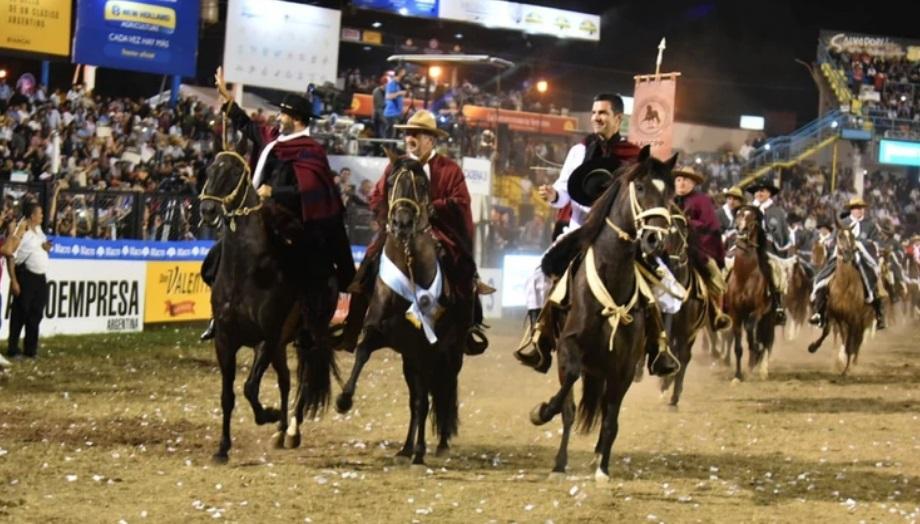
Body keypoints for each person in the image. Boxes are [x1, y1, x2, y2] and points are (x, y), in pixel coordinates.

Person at [513, 93, 683, 375]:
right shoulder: (579, 151)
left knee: (664, 286)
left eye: (602, 113)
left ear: (618, 118)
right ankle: (538, 341)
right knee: (537, 277)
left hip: (623, 236)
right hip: (580, 230)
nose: (596, 118)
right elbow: (565, 191)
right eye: (594, 113)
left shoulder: (634, 155)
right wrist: (555, 194)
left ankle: (658, 348)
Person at [200, 67, 354, 341]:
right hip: (258, 213)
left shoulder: (311, 151)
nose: (277, 117)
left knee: (306, 264)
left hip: (290, 218)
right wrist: (227, 99)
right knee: (221, 254)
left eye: (283, 113)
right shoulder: (274, 139)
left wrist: (274, 191)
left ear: (295, 119)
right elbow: (247, 125)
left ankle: (307, 320)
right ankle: (221, 313)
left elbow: (308, 191)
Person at [339, 109, 491, 355]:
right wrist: (386, 216)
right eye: (408, 133)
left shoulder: (449, 169)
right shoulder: (396, 165)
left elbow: (460, 202)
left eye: (416, 134)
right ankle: (352, 328)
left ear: (431, 140)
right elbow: (378, 194)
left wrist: (432, 208)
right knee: (367, 265)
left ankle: (467, 327)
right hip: (397, 229)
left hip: (437, 230)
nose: (410, 138)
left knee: (462, 268)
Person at [809, 197, 886, 329]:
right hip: (841, 258)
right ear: (851, 210)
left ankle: (879, 315)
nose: (859, 210)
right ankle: (819, 312)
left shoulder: (870, 225)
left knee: (873, 281)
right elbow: (833, 241)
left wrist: (860, 245)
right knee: (821, 278)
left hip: (862, 258)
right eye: (856, 208)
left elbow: (877, 243)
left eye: (861, 208)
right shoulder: (843, 223)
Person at [672, 166, 732, 332]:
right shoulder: (669, 199)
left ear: (693, 183)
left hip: (698, 247)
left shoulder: (702, 200)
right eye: (678, 179)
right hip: (671, 247)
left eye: (686, 180)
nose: (681, 183)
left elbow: (710, 225)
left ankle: (717, 311)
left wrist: (687, 223)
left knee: (711, 271)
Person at [6, 202, 50, 359]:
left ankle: (30, 349)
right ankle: (13, 348)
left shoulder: (38, 230)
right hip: (25, 275)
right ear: (32, 215)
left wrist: (46, 247)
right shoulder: (22, 231)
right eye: (40, 214)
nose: (42, 217)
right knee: (20, 313)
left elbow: (42, 244)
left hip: (40, 277)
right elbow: (11, 256)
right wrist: (14, 280)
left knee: (36, 313)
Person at [746, 178, 788, 323]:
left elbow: (783, 236)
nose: (759, 193)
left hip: (769, 251)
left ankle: (777, 305)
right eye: (757, 191)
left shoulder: (778, 212)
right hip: (748, 249)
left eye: (762, 190)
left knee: (775, 274)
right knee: (729, 268)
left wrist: (772, 238)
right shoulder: (748, 210)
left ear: (769, 193)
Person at [383, 68, 408, 139]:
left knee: (396, 137)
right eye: (403, 73)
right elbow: (388, 96)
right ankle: (386, 149)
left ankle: (392, 149)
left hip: (397, 114)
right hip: (391, 114)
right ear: (399, 73)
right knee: (391, 137)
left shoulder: (398, 85)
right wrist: (399, 93)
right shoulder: (392, 83)